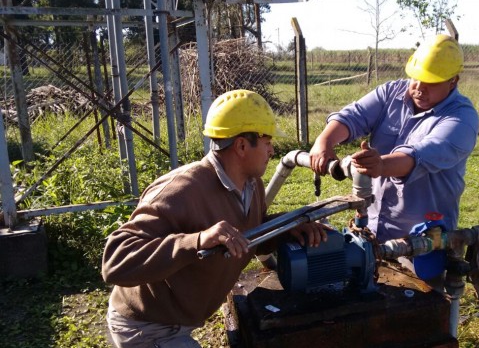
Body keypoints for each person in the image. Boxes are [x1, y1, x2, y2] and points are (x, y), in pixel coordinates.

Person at [102, 89, 328, 347]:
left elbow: (247, 236)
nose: (273, 150)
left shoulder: (251, 186)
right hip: (147, 326)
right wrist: (196, 241)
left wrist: (287, 228)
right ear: (242, 145)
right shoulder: (182, 190)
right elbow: (115, 261)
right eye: (267, 142)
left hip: (180, 322)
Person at [309, 34, 479, 281]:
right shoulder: (392, 93)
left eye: (430, 82)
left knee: (420, 307)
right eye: (416, 78)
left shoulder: (462, 119)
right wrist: (324, 142)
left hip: (421, 242)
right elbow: (352, 117)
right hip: (372, 229)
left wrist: (381, 165)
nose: (419, 88)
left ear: (453, 81)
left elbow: (420, 155)